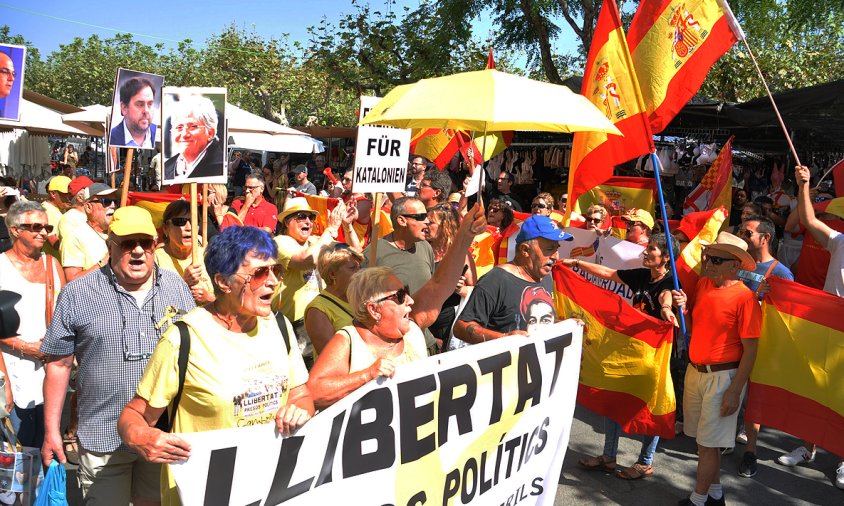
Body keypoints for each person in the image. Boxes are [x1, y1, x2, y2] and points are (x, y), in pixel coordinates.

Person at [118, 226, 314, 506]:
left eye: (276, 271)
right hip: (204, 491)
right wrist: (142, 437)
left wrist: (300, 411)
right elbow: (134, 416)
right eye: (259, 273)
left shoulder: (279, 326)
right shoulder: (183, 339)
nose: (272, 282)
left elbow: (301, 394)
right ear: (223, 282)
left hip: (270, 486)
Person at [41, 206, 196, 505]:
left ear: (155, 244)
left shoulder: (177, 287)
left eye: (145, 242)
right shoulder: (78, 294)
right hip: (103, 440)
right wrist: (52, 431)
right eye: (127, 243)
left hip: (163, 438)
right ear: (109, 245)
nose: (137, 251)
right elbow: (58, 365)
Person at [562, 233, 680, 480]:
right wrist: (577, 264)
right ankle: (608, 456)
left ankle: (645, 462)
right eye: (647, 248)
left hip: (653, 358)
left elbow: (665, 298)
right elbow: (609, 274)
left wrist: (667, 310)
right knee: (613, 396)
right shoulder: (642, 275)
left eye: (652, 250)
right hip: (631, 352)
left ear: (666, 257)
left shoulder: (669, 283)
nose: (645, 253)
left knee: (651, 406)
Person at [672, 232, 761, 506]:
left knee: (708, 444)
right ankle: (715, 495)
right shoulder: (703, 285)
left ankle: (698, 500)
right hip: (696, 371)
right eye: (709, 257)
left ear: (735, 265)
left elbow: (751, 349)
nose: (708, 263)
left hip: (723, 377)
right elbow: (696, 320)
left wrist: (735, 390)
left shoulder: (745, 298)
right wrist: (683, 308)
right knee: (704, 441)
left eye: (717, 259)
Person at [775, 165, 844, 489]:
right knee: (818, 386)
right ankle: (809, 447)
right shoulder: (839, 241)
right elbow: (809, 220)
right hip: (829, 326)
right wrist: (803, 187)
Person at [0, 201, 65, 448]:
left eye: (46, 227)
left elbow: (65, 313)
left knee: (46, 446)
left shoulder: (52, 264)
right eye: (35, 226)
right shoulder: (1, 267)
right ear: (15, 230)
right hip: (11, 369)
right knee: (16, 452)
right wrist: (25, 348)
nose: (43, 232)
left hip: (50, 368)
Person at [453, 214, 572, 342]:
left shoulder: (546, 278)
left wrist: (566, 326)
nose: (556, 256)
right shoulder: (496, 280)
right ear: (525, 250)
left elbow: (531, 323)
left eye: (557, 248)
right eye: (549, 249)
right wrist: (504, 339)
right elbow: (461, 327)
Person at [274, 197, 354, 368]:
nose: (308, 221)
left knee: (327, 364)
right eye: (301, 216)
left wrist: (347, 226)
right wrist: (331, 228)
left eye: (311, 217)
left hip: (323, 313)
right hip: (295, 321)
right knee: (306, 368)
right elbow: (306, 260)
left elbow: (354, 254)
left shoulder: (316, 241)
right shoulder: (281, 242)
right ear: (287, 222)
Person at [425, 203, 476, 347]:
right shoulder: (421, 248)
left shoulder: (460, 253)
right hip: (422, 318)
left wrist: (460, 289)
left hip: (446, 324)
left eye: (431, 223)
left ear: (445, 226)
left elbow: (475, 292)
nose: (426, 225)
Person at [304, 244, 363, 357]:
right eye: (352, 268)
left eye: (359, 267)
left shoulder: (360, 297)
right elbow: (330, 358)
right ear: (332, 274)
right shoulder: (318, 310)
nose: (359, 273)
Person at [155, 200, 215, 305]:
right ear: (166, 228)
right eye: (180, 221)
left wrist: (209, 298)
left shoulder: (208, 256)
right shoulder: (156, 259)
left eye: (193, 221)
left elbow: (227, 298)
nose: (189, 227)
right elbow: (153, 302)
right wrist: (183, 283)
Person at [60, 182, 119, 281]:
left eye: (115, 201)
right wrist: (103, 262)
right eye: (107, 201)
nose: (113, 206)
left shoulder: (120, 233)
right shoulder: (74, 237)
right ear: (88, 207)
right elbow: (72, 281)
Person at [163, 95, 224, 181]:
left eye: (192, 126)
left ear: (210, 133)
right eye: (179, 127)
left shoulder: (220, 169)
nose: (184, 134)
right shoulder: (167, 167)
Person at [109, 77, 157, 149]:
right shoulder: (112, 138)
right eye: (140, 104)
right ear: (124, 108)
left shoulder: (161, 135)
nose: (146, 110)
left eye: (150, 104)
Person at [42, 175, 71, 256]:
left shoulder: (61, 207)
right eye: (65, 194)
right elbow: (54, 243)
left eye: (71, 194)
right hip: (55, 264)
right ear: (53, 194)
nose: (69, 198)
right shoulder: (47, 210)